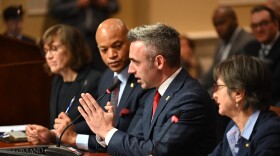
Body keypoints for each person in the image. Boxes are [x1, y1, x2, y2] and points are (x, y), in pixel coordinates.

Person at [77, 23, 217, 155]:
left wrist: (108, 131)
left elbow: (157, 152)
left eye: (136, 62)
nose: (130, 69)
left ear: (159, 62)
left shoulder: (190, 99)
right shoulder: (154, 93)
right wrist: (106, 131)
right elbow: (134, 143)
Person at [53, 18, 150, 152]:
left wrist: (74, 138)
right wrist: (65, 129)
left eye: (117, 46)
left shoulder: (144, 81)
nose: (111, 55)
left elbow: (127, 139)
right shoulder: (106, 77)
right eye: (104, 50)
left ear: (130, 42)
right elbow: (98, 124)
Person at [25, 24, 101, 145]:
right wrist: (43, 134)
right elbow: (54, 125)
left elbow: (94, 124)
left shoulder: (93, 80)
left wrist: (53, 134)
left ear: (73, 49)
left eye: (54, 49)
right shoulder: (57, 80)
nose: (48, 56)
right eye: (46, 51)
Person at [199, 5, 254, 144]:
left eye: (222, 23)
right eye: (216, 24)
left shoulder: (247, 41)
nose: (218, 28)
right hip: (220, 90)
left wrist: (209, 93)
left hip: (234, 94)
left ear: (234, 20)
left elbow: (236, 79)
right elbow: (211, 72)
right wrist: (195, 87)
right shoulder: (221, 42)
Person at [210, 55, 280, 156]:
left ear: (239, 93)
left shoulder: (270, 132)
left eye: (219, 87)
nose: (214, 95)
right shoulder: (233, 128)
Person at [49, 0, 119, 73]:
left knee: (104, 72)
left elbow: (115, 6)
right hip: (74, 39)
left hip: (100, 37)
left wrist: (103, 3)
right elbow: (55, 9)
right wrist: (78, 4)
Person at [244, 5, 280, 106]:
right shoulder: (249, 48)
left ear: (276, 24)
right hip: (253, 100)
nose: (259, 29)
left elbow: (276, 85)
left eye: (263, 24)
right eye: (254, 26)